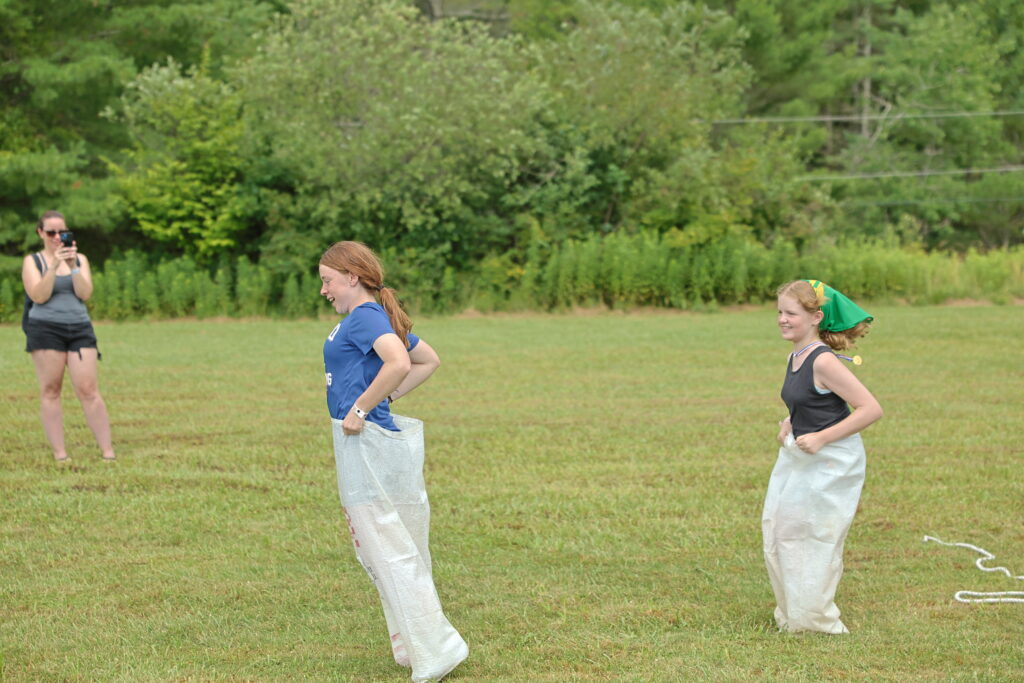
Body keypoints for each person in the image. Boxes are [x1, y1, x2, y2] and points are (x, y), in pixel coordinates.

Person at [319, 241, 468, 682]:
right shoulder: (367, 317)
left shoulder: (364, 316)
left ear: (352, 276)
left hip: (363, 442)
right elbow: (427, 359)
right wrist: (381, 399)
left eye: (328, 281)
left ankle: (438, 649)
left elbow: (401, 361)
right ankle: (415, 645)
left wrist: (363, 408)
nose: (324, 290)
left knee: (386, 551)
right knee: (387, 550)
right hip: (365, 438)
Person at [762, 279, 883, 634]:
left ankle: (815, 621)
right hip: (803, 454)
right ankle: (796, 614)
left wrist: (821, 438)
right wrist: (790, 421)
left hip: (833, 459)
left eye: (791, 313)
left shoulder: (824, 361)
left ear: (816, 317)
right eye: (780, 312)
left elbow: (870, 409)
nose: (782, 319)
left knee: (813, 536)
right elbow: (812, 401)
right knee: (781, 528)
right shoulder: (795, 355)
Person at [21, 211, 115, 462]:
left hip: (79, 328)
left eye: (61, 232)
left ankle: (108, 452)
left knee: (89, 389)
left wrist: (72, 267)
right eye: (50, 232)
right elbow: (38, 296)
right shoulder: (33, 262)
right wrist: (53, 266)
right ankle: (60, 454)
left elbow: (85, 293)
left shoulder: (80, 259)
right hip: (45, 329)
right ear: (40, 233)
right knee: (51, 390)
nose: (56, 237)